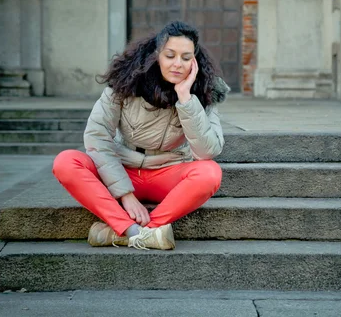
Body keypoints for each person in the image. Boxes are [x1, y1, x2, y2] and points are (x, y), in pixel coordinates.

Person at [52, 21, 230, 251]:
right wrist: (125, 195)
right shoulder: (125, 83)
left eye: (186, 58)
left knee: (210, 173)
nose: (177, 64)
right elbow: (97, 138)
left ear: (194, 62)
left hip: (168, 171)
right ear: (157, 55)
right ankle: (130, 229)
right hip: (122, 167)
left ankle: (139, 233)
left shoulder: (203, 92)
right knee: (66, 161)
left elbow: (207, 151)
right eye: (170, 55)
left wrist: (186, 98)